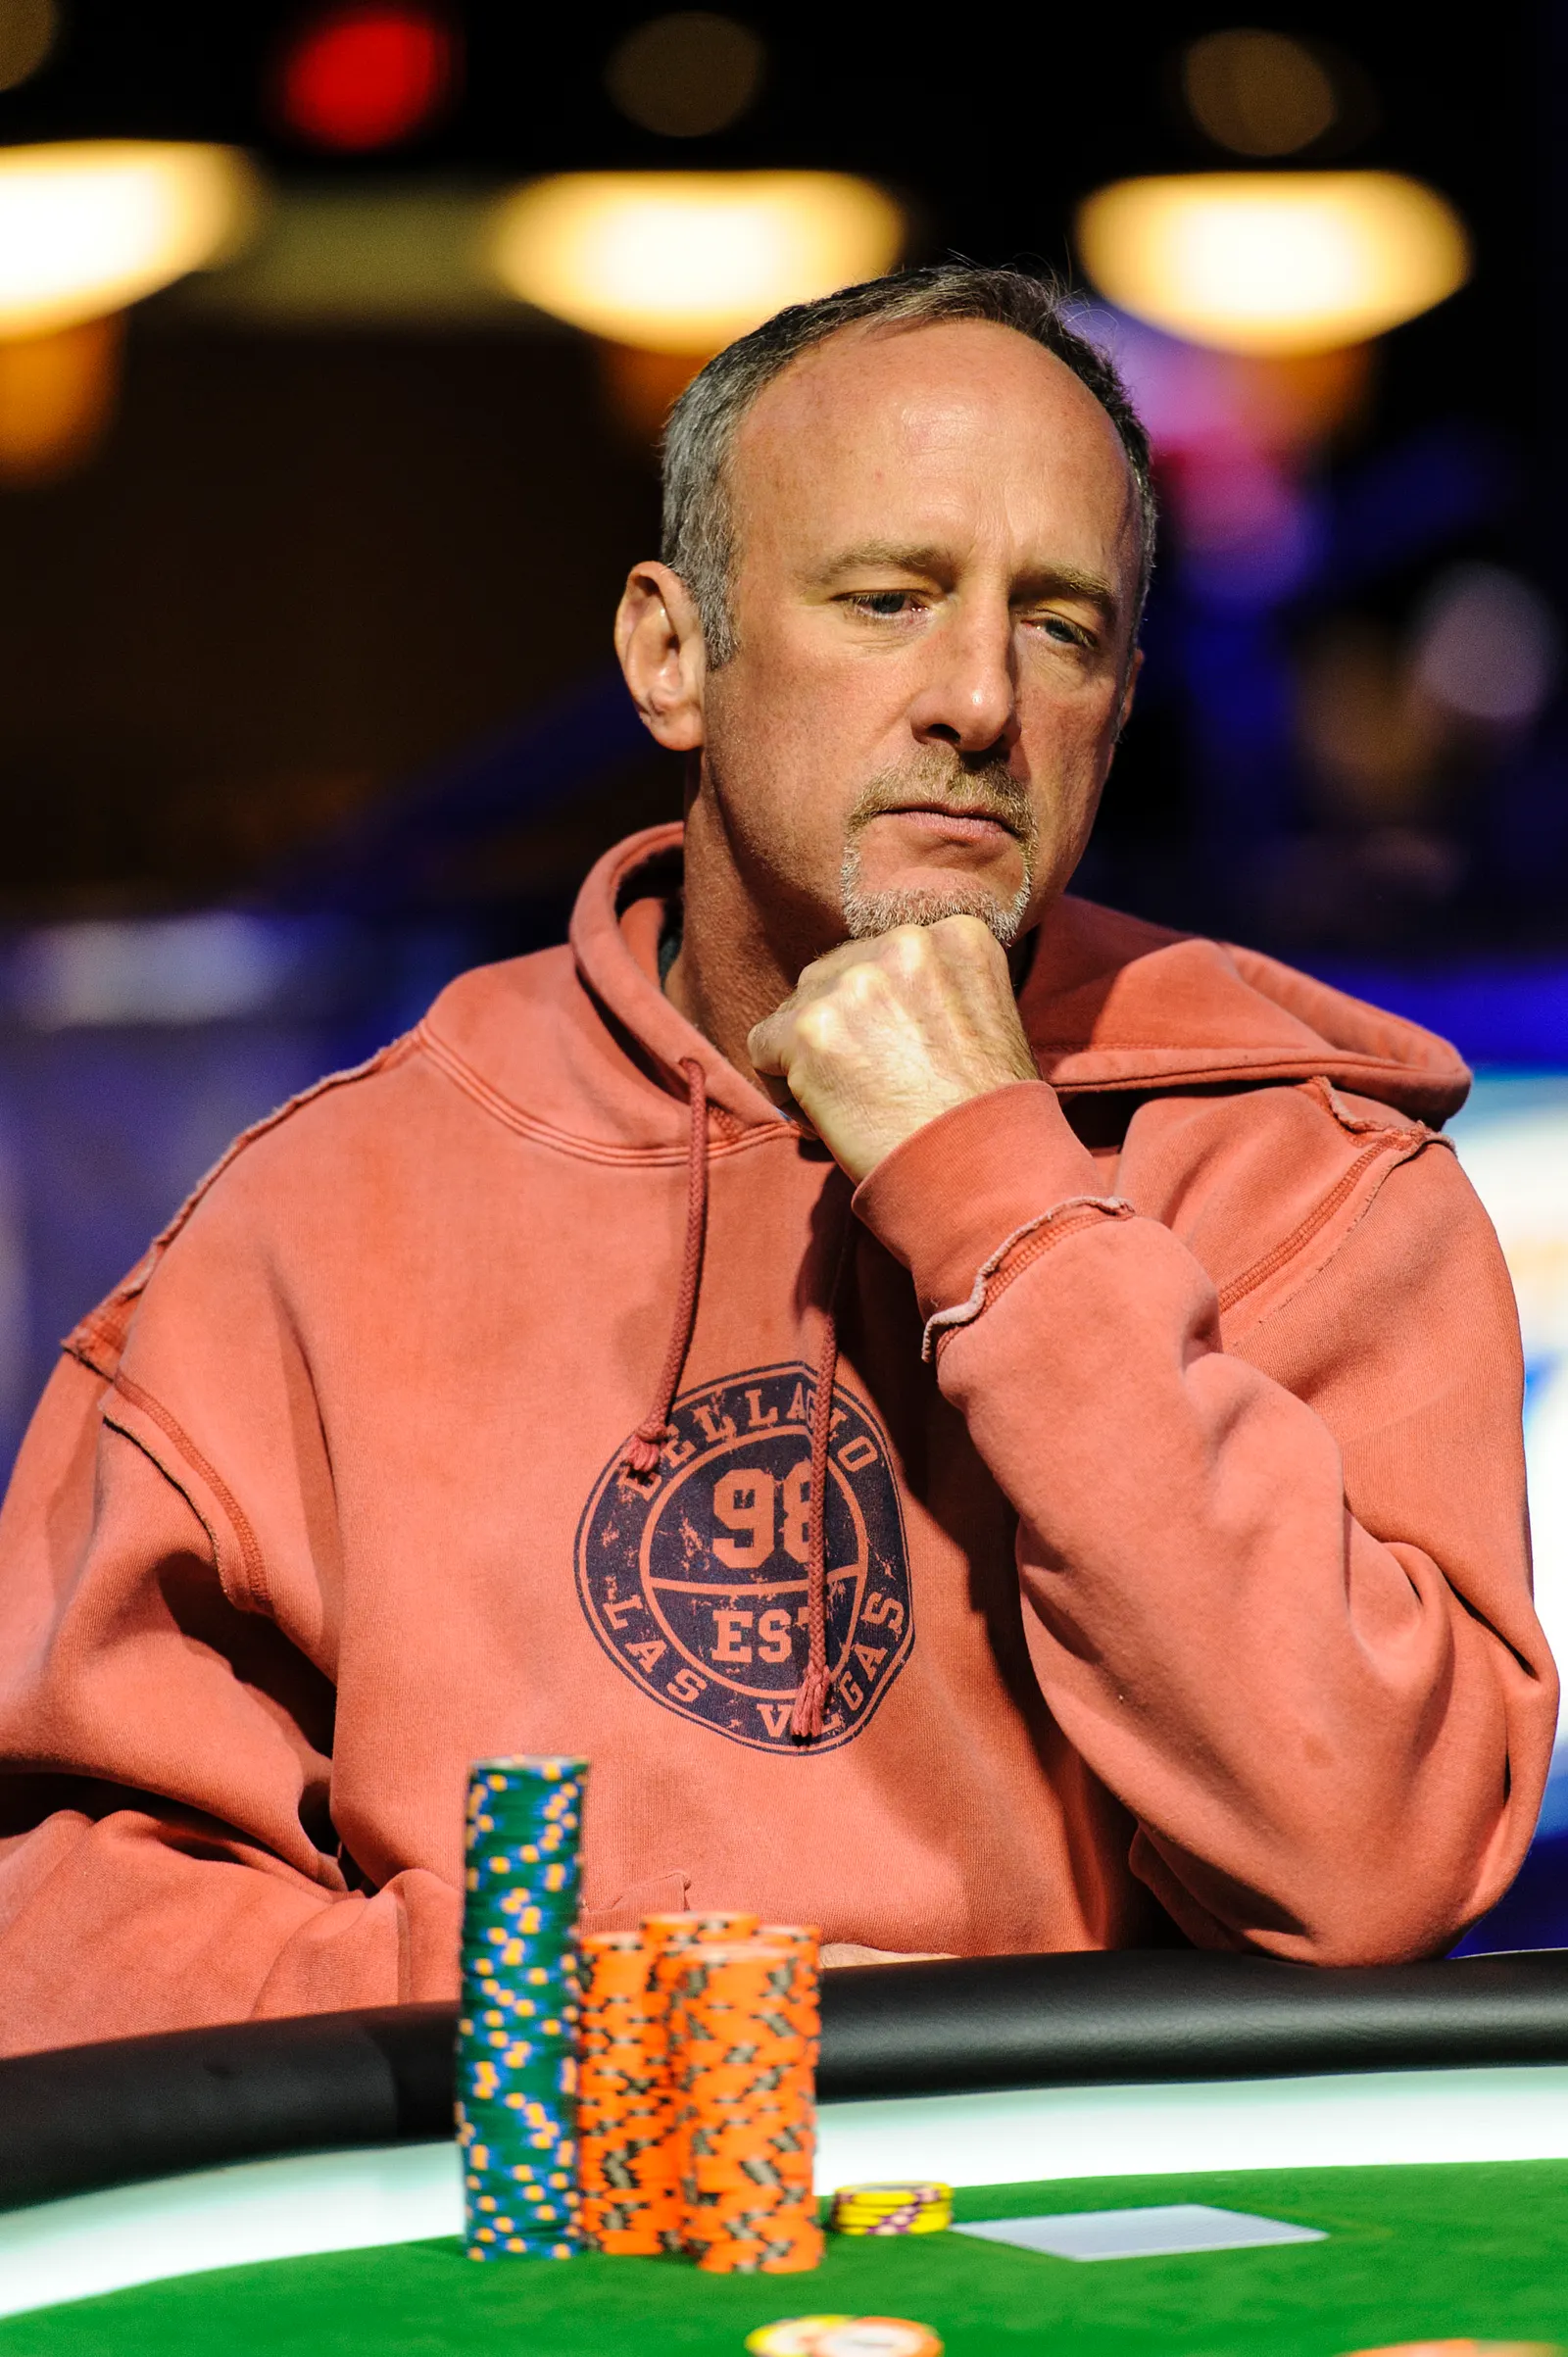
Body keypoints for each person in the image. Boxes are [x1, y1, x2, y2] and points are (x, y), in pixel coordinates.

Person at [0, 266, 1553, 2059]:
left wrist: (994, 1192)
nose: (980, 695)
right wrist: (635, 2029)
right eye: (889, 599)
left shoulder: (1305, 1179)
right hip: (521, 2207)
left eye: (1061, 627)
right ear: (671, 655)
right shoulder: (329, 1213)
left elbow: (1375, 1868)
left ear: (1124, 699)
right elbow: (61, 1934)